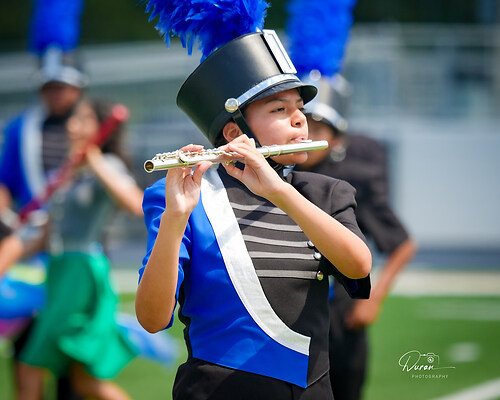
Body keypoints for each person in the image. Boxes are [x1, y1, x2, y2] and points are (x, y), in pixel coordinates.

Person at [135, 28, 372, 399]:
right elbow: (152, 319)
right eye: (280, 109)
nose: (300, 119)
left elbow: (358, 266)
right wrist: (176, 218)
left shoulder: (325, 193)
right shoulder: (184, 197)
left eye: (300, 108)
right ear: (234, 133)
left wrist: (278, 191)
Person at [11, 96, 143, 400]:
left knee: (30, 365)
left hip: (81, 273)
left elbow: (135, 204)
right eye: (73, 118)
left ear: (100, 127)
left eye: (83, 119)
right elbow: (46, 235)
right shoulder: (67, 171)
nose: (72, 126)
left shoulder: (106, 165)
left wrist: (94, 159)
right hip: (59, 273)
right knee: (84, 381)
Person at [296, 74, 417, 400]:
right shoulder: (279, 175)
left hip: (340, 314)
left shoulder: (353, 180)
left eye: (318, 130)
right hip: (291, 315)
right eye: (304, 125)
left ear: (336, 139)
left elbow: (403, 244)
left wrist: (371, 301)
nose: (307, 136)